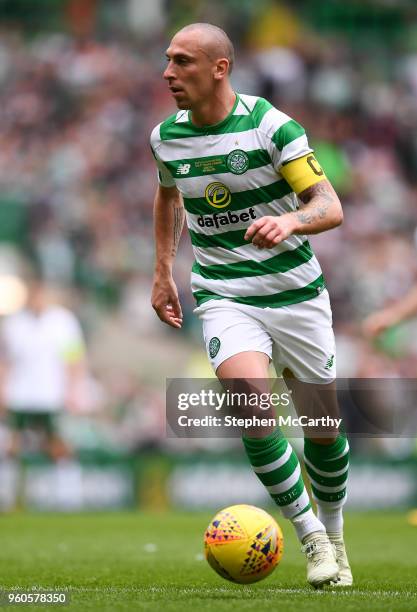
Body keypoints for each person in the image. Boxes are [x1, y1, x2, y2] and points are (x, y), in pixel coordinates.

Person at [150, 23, 351, 588]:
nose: (168, 73)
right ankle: (310, 535)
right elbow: (169, 196)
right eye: (167, 60)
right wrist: (164, 270)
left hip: (295, 292)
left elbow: (328, 204)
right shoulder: (166, 137)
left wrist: (289, 219)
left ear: (220, 68)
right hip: (224, 292)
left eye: (183, 62)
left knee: (321, 426)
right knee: (250, 401)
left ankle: (335, 532)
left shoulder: (271, 126)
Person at [0, 276, 87, 462]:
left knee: (58, 445)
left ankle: (65, 483)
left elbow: (74, 359)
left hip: (52, 394)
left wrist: (73, 390)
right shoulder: (13, 323)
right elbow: (5, 361)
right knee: (12, 446)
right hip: (20, 395)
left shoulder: (63, 321)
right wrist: (3, 389)